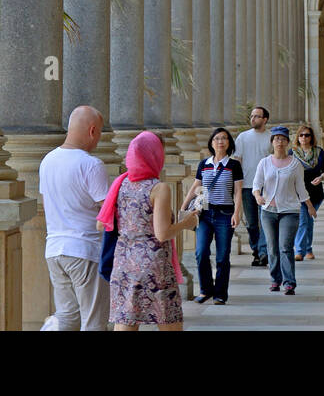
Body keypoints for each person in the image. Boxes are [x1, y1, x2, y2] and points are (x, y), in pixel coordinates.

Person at [97, 131, 197, 331]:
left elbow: (101, 224)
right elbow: (162, 233)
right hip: (153, 265)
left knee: (126, 320)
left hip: (124, 262)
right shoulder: (158, 188)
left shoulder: (121, 183)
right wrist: (186, 223)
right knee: (168, 319)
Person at [39, 104, 111, 331]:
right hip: (85, 249)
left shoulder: (47, 161)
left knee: (66, 317)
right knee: (93, 321)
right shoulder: (91, 164)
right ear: (92, 131)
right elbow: (108, 211)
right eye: (99, 132)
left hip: (54, 250)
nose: (98, 138)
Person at [181, 127, 243, 304]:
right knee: (201, 252)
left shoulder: (234, 165)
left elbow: (238, 192)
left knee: (223, 256)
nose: (220, 141)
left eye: (224, 138)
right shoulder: (204, 164)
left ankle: (220, 294)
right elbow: (195, 187)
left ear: (229, 143)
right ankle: (205, 289)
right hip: (205, 214)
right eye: (216, 139)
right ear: (211, 143)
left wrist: (236, 213)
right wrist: (184, 207)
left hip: (225, 213)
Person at [253, 125, 315, 295]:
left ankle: (289, 282)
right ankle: (275, 280)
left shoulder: (295, 164)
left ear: (287, 142)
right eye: (276, 139)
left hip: (290, 211)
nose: (279, 142)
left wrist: (309, 206)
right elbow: (256, 185)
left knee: (285, 247)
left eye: (282, 139)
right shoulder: (264, 163)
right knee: (272, 248)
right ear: (272, 142)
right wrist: (258, 197)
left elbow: (301, 189)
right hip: (268, 211)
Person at [234, 106, 271, 266]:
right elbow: (237, 160)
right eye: (252, 116)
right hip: (247, 185)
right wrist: (236, 184)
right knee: (251, 222)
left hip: (267, 186)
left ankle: (263, 252)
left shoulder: (271, 138)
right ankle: (257, 250)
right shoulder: (243, 137)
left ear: (265, 119)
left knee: (265, 221)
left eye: (257, 116)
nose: (253, 119)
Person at [292, 124, 324, 261]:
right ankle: (300, 251)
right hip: (298, 192)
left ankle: (308, 249)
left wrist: (321, 178)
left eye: (307, 135)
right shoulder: (293, 153)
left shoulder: (318, 152)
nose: (304, 137)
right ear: (298, 137)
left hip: (315, 192)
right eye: (301, 135)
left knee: (308, 220)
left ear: (311, 137)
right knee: (304, 220)